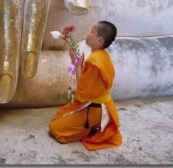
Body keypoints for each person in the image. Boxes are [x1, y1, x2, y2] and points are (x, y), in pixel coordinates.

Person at [49, 20, 122, 151]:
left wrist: (77, 66)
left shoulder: (95, 62)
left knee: (55, 129)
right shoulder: (101, 56)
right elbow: (88, 82)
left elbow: (83, 93)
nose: (88, 34)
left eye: (92, 32)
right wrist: (76, 62)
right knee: (60, 115)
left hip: (95, 109)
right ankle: (92, 126)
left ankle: (94, 129)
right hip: (96, 104)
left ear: (100, 40)